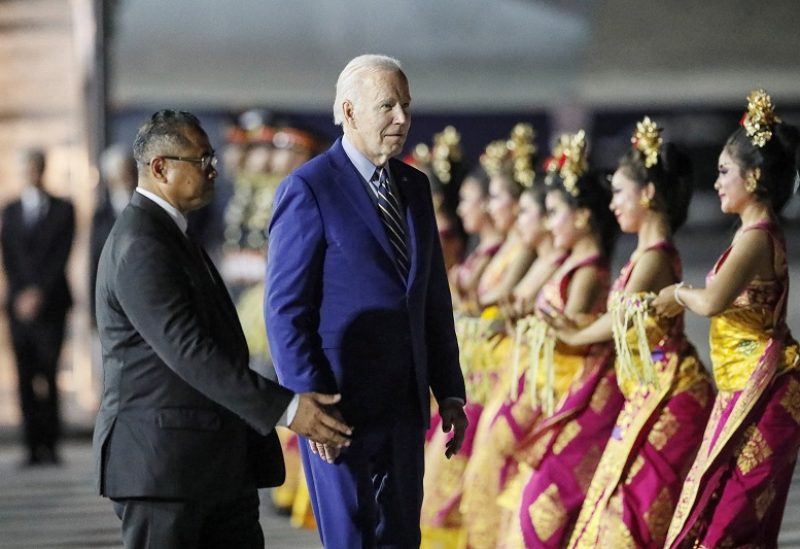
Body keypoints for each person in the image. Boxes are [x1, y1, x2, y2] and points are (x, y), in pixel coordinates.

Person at [93, 110, 353, 549]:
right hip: (165, 470)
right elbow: (190, 351)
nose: (215, 169)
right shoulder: (142, 244)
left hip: (211, 465)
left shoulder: (172, 234)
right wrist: (289, 410)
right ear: (161, 168)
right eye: (202, 160)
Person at [265, 54, 468, 548]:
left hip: (404, 406)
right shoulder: (309, 188)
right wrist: (306, 401)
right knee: (351, 537)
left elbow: (432, 304)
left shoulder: (415, 188)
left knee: (401, 538)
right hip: (337, 408)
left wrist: (451, 392)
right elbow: (285, 311)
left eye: (406, 105)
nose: (402, 118)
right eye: (387, 106)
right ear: (350, 112)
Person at [653, 90, 800, 548]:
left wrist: (677, 293)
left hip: (764, 392)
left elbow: (713, 301)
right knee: (720, 513)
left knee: (729, 524)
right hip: (741, 391)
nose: (715, 183)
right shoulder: (749, 235)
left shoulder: (756, 238)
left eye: (723, 172)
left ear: (754, 176)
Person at [564, 118, 714, 548]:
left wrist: (574, 335)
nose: (613, 204)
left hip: (670, 393)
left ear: (648, 194)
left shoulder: (655, 258)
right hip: (648, 394)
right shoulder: (642, 256)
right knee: (614, 505)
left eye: (619, 193)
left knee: (632, 518)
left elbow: (619, 321)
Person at [1, 148, 74, 466]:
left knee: (50, 373)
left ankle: (51, 444)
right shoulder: (11, 210)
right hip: (19, 308)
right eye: (27, 167)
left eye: (36, 166)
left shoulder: (64, 209)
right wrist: (21, 295)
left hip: (52, 305)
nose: (32, 171)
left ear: (43, 169)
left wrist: (39, 293)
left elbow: (61, 255)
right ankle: (31, 446)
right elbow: (9, 258)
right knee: (25, 375)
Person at [89, 144, 137, 326]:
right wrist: (94, 311)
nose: (124, 178)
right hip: (113, 301)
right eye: (117, 173)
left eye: (126, 171)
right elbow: (95, 261)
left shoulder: (146, 208)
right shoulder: (101, 216)